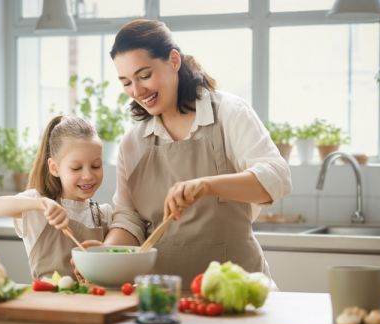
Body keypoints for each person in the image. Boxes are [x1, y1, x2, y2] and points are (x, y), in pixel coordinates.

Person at [104, 19, 292, 287]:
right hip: (163, 297)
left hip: (238, 291)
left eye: (144, 75)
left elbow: (277, 178)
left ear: (173, 61)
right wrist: (102, 256)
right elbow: (129, 219)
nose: (136, 91)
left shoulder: (228, 113)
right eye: (126, 82)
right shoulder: (132, 143)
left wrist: (206, 185)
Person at [0, 116, 112, 280]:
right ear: (54, 168)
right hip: (48, 303)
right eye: (76, 168)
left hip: (93, 303)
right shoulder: (38, 209)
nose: (87, 175)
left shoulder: (103, 214)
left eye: (96, 166)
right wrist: (40, 203)